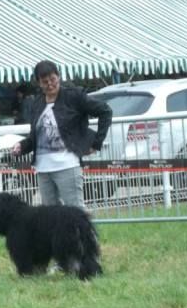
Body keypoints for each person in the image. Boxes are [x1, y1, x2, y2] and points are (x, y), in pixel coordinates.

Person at [11, 60, 112, 209]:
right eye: (45, 82)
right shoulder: (37, 103)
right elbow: (35, 137)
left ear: (58, 76)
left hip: (68, 165)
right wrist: (21, 146)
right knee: (50, 217)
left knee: (76, 212)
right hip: (43, 168)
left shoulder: (74, 96)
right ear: (39, 83)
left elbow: (105, 111)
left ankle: (86, 234)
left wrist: (96, 143)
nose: (50, 84)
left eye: (52, 79)